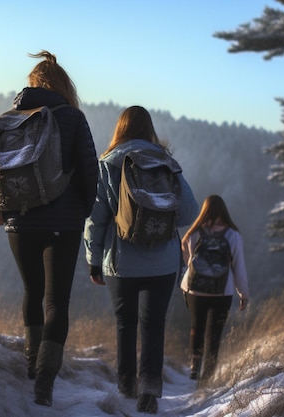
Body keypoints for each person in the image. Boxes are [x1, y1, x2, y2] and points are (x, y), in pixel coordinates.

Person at [0, 50, 98, 407]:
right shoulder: (73, 119)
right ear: (63, 86)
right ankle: (45, 381)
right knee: (56, 301)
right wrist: (82, 212)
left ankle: (31, 366)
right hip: (64, 224)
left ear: (30, 86)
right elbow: (90, 172)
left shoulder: (5, 120)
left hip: (18, 221)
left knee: (32, 291)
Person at [84, 106, 199, 414]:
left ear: (120, 128)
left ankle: (125, 388)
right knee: (153, 325)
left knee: (126, 324)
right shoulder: (167, 162)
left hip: (122, 264)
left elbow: (96, 218)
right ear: (149, 129)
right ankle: (149, 394)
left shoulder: (109, 163)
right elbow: (189, 211)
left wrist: (94, 260)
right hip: (163, 264)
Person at [179, 194, 249, 384]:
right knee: (215, 334)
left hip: (195, 290)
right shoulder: (233, 235)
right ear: (224, 211)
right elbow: (238, 266)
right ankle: (207, 377)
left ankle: (195, 365)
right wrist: (243, 293)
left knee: (197, 327)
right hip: (222, 292)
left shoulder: (194, 233)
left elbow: (188, 262)